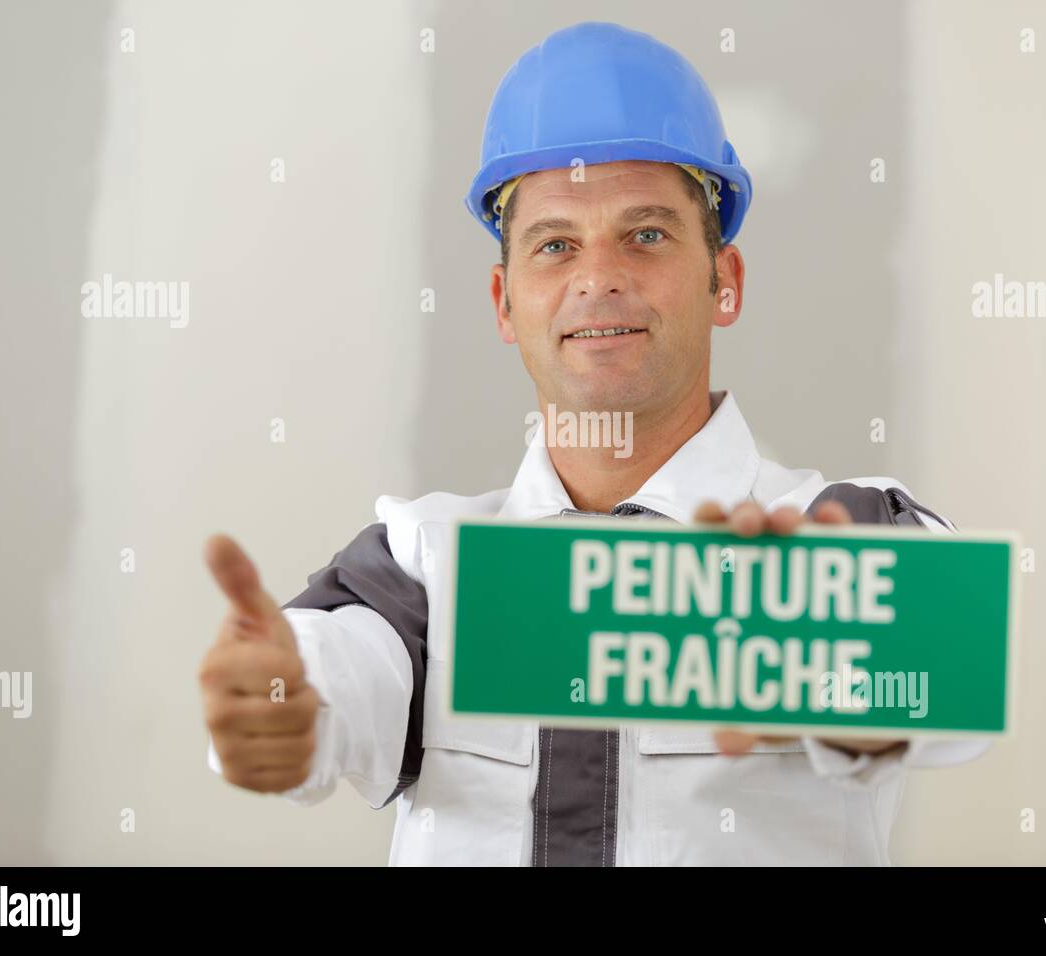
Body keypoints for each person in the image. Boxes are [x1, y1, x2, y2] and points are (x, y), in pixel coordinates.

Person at [199, 21, 990, 866]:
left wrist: (825, 650)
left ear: (726, 281)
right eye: (556, 244)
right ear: (505, 304)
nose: (598, 275)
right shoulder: (422, 568)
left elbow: (947, 675)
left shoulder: (847, 529)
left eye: (645, 234)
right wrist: (277, 705)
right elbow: (333, 674)